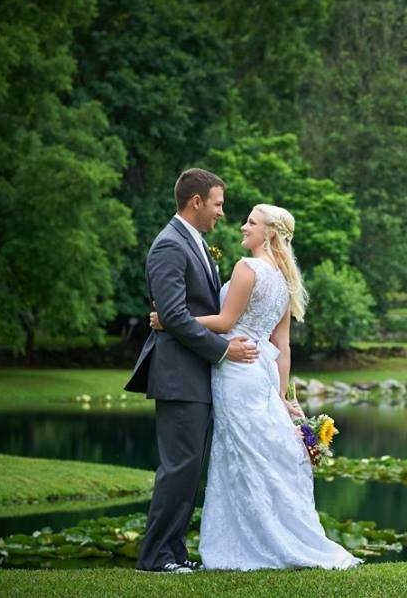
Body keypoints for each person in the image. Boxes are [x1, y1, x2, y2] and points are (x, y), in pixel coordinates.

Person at [150, 203, 361, 571]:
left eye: (252, 222)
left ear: (270, 233)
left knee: (242, 455)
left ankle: (248, 544)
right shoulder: (284, 279)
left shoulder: (247, 269)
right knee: (258, 452)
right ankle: (266, 537)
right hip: (260, 373)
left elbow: (226, 320)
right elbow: (283, 347)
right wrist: (281, 395)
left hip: (236, 370)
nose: (243, 226)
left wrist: (169, 320)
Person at [125, 168, 259, 574]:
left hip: (194, 375)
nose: (222, 212)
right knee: (179, 468)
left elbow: (189, 313)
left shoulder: (195, 242)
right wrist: (223, 350)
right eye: (217, 203)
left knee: (189, 469)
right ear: (196, 201)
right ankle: (155, 558)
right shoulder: (169, 245)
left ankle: (176, 553)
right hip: (178, 376)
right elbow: (174, 317)